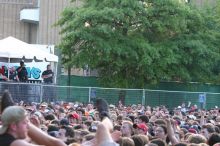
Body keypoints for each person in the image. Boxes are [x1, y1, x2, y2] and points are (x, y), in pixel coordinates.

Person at [0, 106, 66, 146]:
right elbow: (56, 144)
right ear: (13, 126)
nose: (28, 127)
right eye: (25, 123)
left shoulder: (4, 138)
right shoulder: (16, 143)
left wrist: (38, 128)